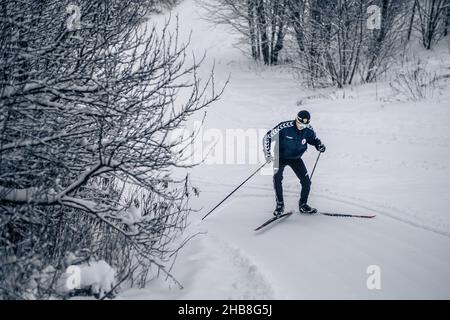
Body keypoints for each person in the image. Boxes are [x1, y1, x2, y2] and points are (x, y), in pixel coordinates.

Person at [263, 110, 326, 216]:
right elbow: (267, 137)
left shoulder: (308, 129)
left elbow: (314, 139)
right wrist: (267, 153)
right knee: (277, 178)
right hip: (280, 156)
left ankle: (303, 205)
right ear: (296, 119)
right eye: (300, 123)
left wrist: (319, 145)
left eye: (305, 125)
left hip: (296, 158)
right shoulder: (284, 127)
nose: (302, 126)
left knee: (306, 182)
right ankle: (280, 205)